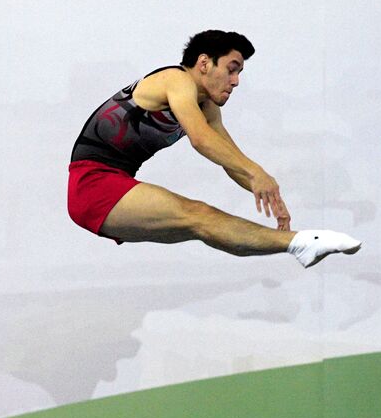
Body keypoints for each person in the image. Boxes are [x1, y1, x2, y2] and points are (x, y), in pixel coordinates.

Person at [69, 30, 361, 267]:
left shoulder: (206, 106)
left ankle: (296, 245)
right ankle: (302, 243)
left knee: (205, 224)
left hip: (114, 184)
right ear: (205, 63)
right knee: (199, 214)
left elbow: (230, 159)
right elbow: (201, 140)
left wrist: (271, 195)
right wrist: (257, 173)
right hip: (92, 184)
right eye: (231, 70)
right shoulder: (176, 80)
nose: (235, 81)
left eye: (240, 73)